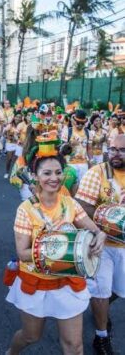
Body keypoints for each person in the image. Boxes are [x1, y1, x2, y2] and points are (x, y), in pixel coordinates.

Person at [5, 135, 107, 355]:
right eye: (47, 173)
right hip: (37, 280)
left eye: (58, 172)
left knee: (74, 346)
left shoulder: (70, 203)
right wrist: (53, 247)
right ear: (35, 176)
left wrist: (100, 235)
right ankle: (11, 352)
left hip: (67, 281)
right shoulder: (26, 209)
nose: (54, 178)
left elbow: (92, 228)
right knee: (31, 336)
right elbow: (22, 253)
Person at [75, 134, 125, 354]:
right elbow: (82, 206)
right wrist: (111, 224)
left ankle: (100, 311)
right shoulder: (97, 173)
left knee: (118, 291)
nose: (115, 153)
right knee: (101, 292)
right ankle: (101, 337)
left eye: (121, 150)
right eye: (112, 148)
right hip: (101, 245)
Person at [61, 110, 93, 182]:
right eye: (78, 123)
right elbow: (62, 149)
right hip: (70, 164)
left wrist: (91, 161)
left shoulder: (88, 133)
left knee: (81, 186)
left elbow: (89, 149)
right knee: (69, 187)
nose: (80, 125)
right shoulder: (67, 132)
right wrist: (70, 144)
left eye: (82, 123)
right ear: (74, 121)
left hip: (83, 165)